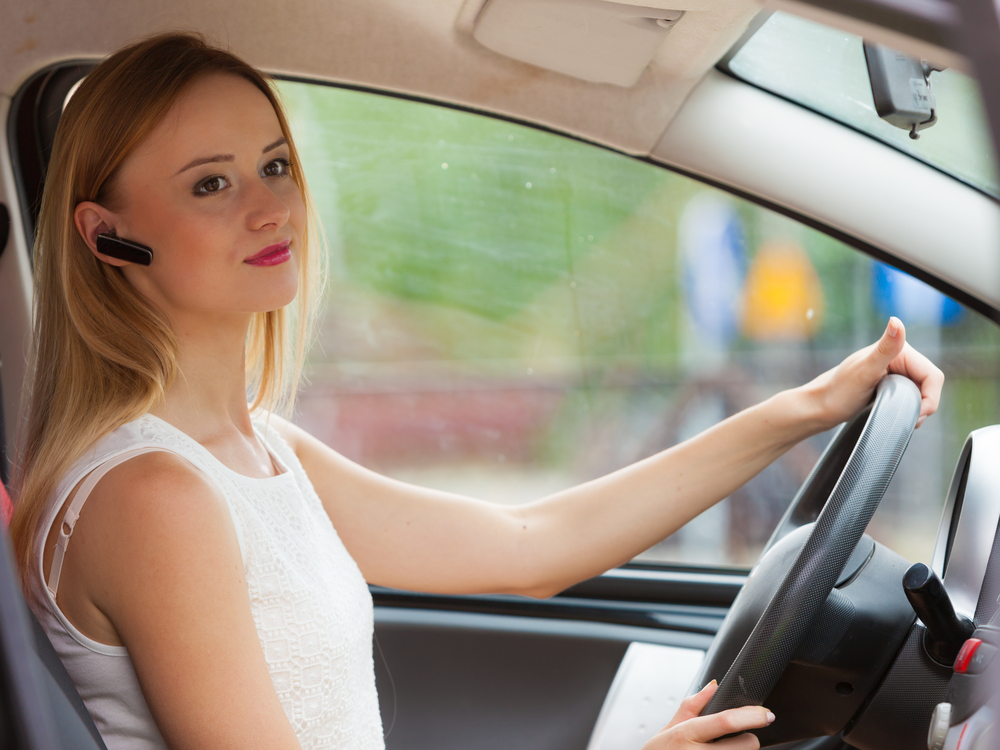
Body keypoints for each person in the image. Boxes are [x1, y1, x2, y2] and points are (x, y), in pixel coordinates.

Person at [8, 32, 944, 750]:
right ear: (105, 237)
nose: (270, 206)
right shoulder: (151, 498)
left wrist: (811, 407)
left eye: (275, 164)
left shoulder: (259, 449)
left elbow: (531, 546)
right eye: (210, 184)